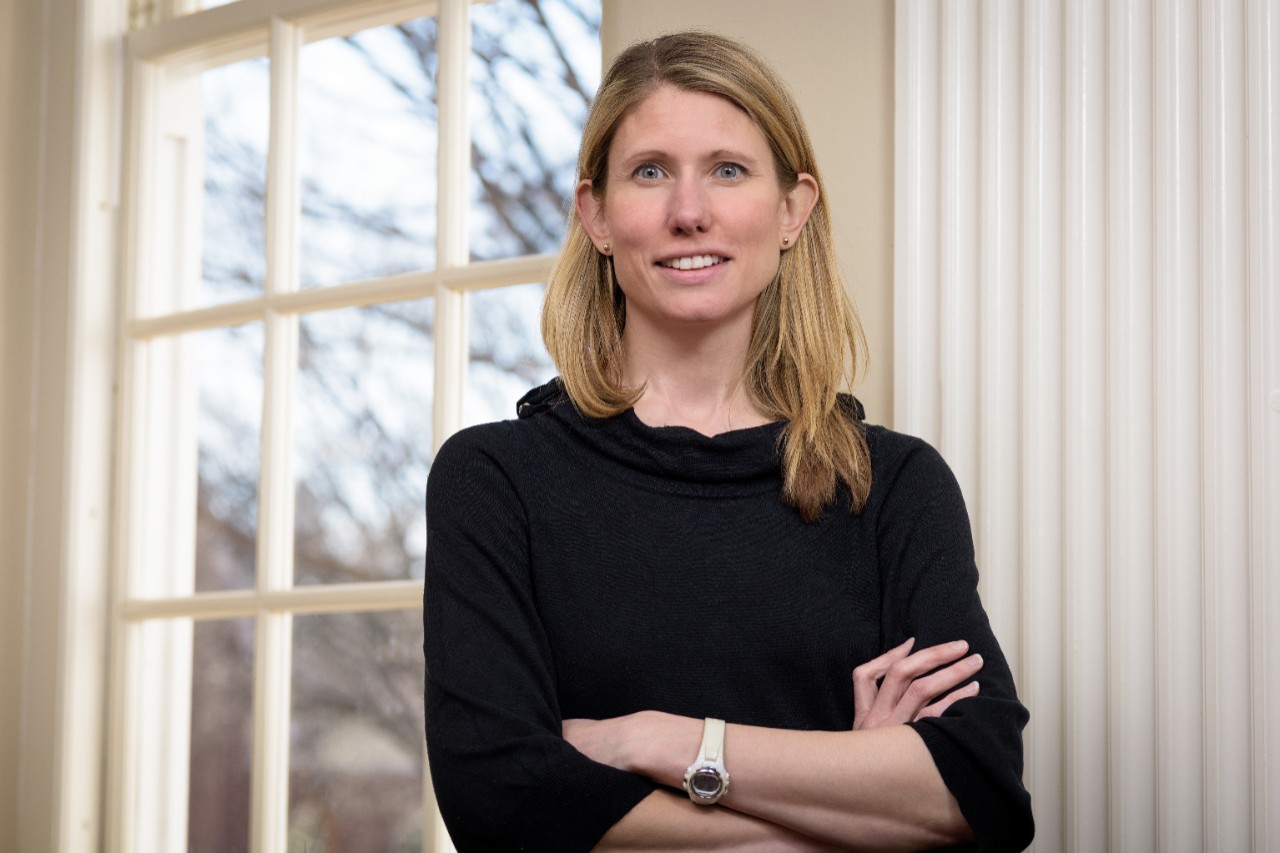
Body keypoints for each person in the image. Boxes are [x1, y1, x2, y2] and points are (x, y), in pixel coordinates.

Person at [424, 31, 1034, 852]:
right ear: (596, 215)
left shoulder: (894, 485)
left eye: (728, 169)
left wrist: (662, 741)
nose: (689, 212)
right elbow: (501, 803)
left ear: (792, 210)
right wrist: (849, 798)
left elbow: (980, 789)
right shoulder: (495, 479)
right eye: (649, 171)